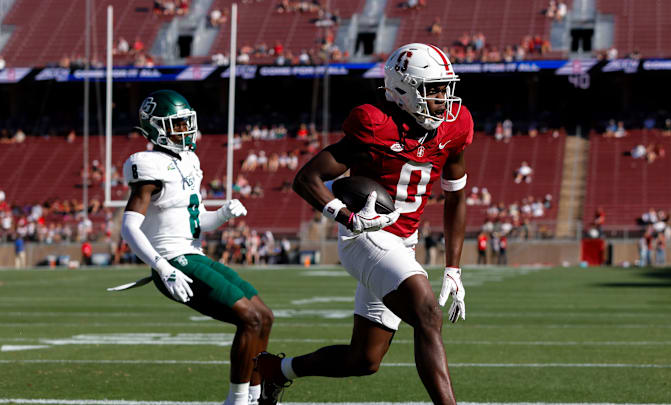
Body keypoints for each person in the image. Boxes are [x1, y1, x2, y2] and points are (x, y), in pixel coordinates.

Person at [256, 43, 472, 404]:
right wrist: (347, 217)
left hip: (403, 243)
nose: (443, 97)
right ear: (403, 90)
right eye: (433, 88)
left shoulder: (456, 124)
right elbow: (306, 179)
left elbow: (457, 196)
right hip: (366, 237)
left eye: (445, 87)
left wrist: (453, 267)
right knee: (427, 312)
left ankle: (277, 371)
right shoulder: (375, 123)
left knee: (365, 359)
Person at [116, 90, 273, 405]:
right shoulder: (147, 165)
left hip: (194, 253)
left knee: (265, 317)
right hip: (174, 261)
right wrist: (163, 267)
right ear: (155, 128)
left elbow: (198, 220)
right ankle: (238, 400)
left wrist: (223, 214)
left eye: (186, 123)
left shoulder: (189, 159)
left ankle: (258, 396)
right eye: (176, 124)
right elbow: (129, 227)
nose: (185, 130)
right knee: (249, 319)